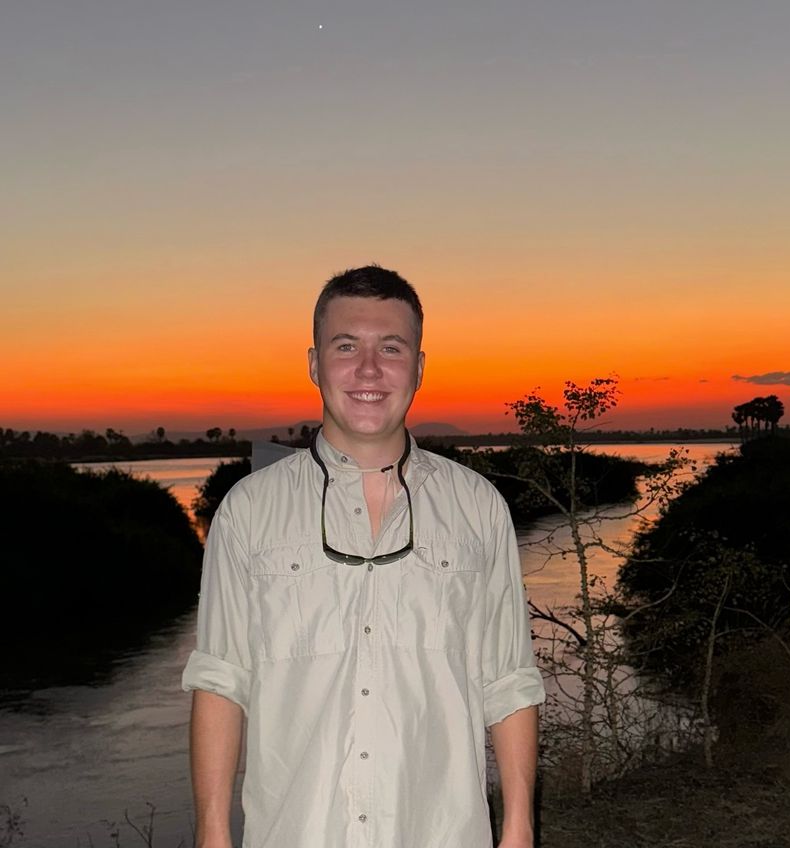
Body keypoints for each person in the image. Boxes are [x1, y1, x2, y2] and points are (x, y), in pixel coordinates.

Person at [182, 265, 545, 848]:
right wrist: (213, 835)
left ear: (419, 368)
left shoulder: (479, 507)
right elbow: (221, 682)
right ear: (314, 363)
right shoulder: (247, 511)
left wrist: (519, 829)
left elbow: (508, 680)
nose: (369, 370)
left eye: (391, 348)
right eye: (346, 345)